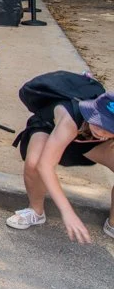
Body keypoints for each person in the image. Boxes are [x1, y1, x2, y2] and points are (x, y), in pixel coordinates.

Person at [8, 83, 114, 243]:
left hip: (87, 141)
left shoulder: (101, 134)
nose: (101, 130)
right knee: (34, 162)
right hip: (49, 128)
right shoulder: (70, 118)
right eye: (98, 122)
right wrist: (68, 213)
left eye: (109, 128)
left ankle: (113, 223)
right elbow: (46, 166)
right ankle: (36, 211)